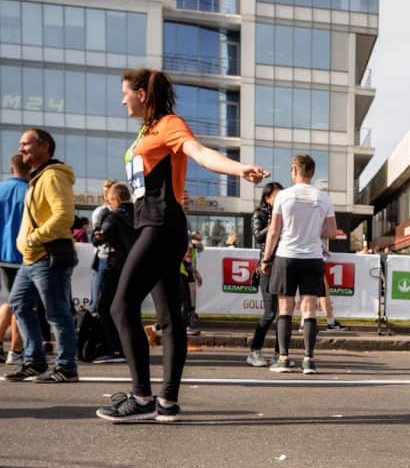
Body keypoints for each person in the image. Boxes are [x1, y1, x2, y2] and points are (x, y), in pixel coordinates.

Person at [97, 68, 267, 422]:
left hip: (160, 227)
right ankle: (168, 403)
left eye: (125, 92)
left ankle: (142, 397)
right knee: (169, 317)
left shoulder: (170, 124)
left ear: (142, 94)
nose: (121, 99)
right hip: (157, 226)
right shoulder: (147, 131)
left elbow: (200, 153)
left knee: (120, 306)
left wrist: (239, 169)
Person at [4, 129, 79, 383]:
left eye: (26, 144)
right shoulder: (37, 177)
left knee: (57, 313)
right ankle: (34, 360)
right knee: (19, 304)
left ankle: (67, 367)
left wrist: (34, 238)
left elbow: (63, 217)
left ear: (44, 146)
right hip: (32, 257)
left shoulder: (53, 176)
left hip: (48, 256)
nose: (21, 148)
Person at [260, 154, 336, 375]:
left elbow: (274, 231)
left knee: (285, 309)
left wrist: (266, 259)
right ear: (312, 173)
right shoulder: (323, 198)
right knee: (309, 310)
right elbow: (332, 231)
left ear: (294, 170)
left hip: (286, 256)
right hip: (312, 257)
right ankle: (309, 360)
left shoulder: (284, 195)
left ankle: (283, 359)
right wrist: (314, 233)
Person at [92, 183, 134, 364]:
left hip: (114, 265)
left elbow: (100, 235)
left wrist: (100, 235)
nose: (110, 203)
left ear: (115, 199)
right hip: (135, 266)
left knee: (104, 307)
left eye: (110, 200)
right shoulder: (139, 213)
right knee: (129, 308)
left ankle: (115, 349)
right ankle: (130, 348)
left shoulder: (112, 216)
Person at [246, 181, 284, 367]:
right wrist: (274, 224)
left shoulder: (286, 214)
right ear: (267, 198)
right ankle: (255, 351)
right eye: (276, 196)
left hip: (285, 265)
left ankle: (280, 355)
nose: (280, 199)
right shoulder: (259, 214)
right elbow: (258, 236)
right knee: (269, 313)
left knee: (283, 314)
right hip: (267, 266)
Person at [0, 154, 29, 364]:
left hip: (3, 254)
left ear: (11, 169)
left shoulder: (1, 189)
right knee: (22, 304)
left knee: (11, 302)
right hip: (24, 254)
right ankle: (16, 351)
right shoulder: (31, 191)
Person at [89, 179, 118, 315]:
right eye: (105, 192)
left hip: (118, 258)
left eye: (110, 191)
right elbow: (95, 239)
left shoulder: (122, 211)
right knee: (98, 300)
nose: (107, 195)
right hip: (103, 258)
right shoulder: (100, 212)